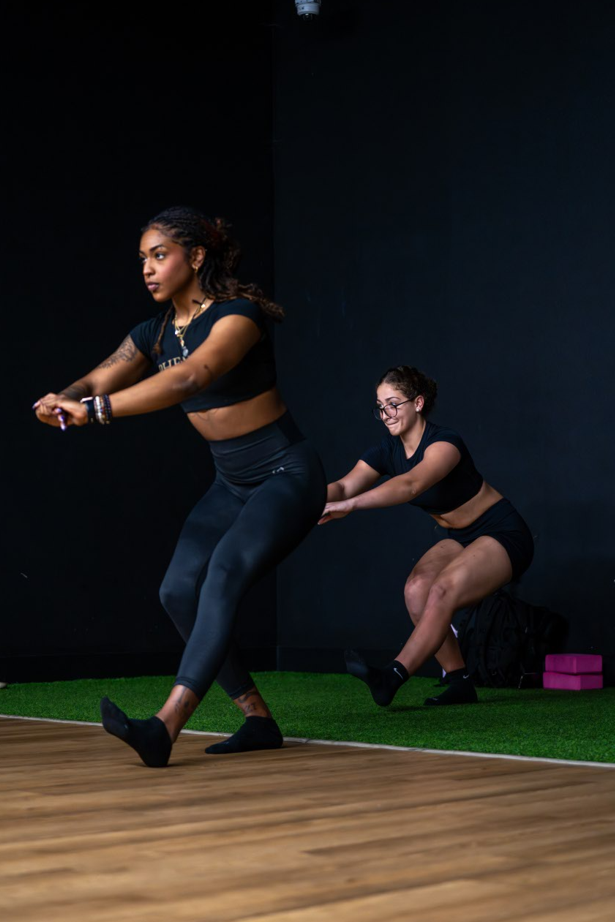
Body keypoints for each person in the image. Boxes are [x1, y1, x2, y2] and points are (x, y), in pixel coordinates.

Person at [34, 206, 326, 766]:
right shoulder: (154, 332)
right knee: (176, 592)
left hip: (286, 474)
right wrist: (60, 399)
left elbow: (191, 376)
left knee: (222, 573)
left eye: (159, 255)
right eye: (142, 259)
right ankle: (258, 719)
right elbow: (98, 377)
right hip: (231, 480)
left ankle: (165, 727)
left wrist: (92, 411)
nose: (147, 268)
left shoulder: (237, 316)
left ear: (196, 257)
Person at [319, 365, 533, 707]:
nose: (386, 414)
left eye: (393, 404)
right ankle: (460, 680)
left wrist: (351, 506)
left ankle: (393, 676)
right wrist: (299, 498)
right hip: (459, 536)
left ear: (418, 403)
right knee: (417, 589)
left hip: (502, 533)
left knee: (442, 589)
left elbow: (411, 484)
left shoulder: (445, 443)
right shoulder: (386, 452)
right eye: (380, 406)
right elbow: (344, 485)